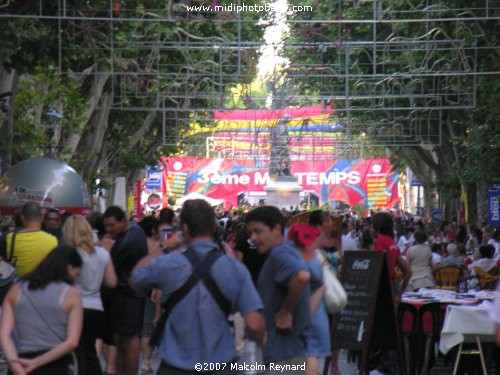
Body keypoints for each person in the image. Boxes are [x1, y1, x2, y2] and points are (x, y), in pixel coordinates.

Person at [131, 199, 265, 374]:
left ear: (184, 228)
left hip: (175, 365)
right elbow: (254, 324)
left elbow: (136, 279)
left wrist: (163, 246)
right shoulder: (234, 268)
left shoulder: (169, 264)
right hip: (221, 364)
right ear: (213, 227)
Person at [245, 206, 312, 372]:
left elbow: (302, 277)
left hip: (282, 359)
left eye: (258, 231)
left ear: (276, 229)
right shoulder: (290, 251)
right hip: (290, 355)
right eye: (250, 233)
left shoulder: (279, 254)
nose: (253, 238)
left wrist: (286, 312)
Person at [0, 245, 83, 375]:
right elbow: (72, 342)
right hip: (56, 364)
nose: (75, 280)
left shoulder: (17, 289)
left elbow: (4, 334)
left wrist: (14, 363)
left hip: (21, 360)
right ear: (70, 267)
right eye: (76, 274)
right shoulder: (71, 294)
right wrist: (36, 363)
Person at [63, 215, 117, 375]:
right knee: (91, 351)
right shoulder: (102, 253)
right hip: (95, 306)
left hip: (74, 306)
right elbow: (112, 282)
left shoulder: (70, 253)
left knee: (76, 350)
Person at [103, 206, 148, 375]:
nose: (108, 230)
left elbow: (110, 265)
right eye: (106, 226)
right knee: (122, 341)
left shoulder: (128, 240)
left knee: (128, 341)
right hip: (126, 296)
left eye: (112, 225)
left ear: (123, 221)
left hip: (129, 297)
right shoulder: (134, 233)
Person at [288, 224, 329, 375]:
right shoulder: (315, 257)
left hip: (309, 313)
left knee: (309, 356)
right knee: (310, 357)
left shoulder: (302, 259)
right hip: (316, 314)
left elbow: (312, 284)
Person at [137, 216, 162, 374]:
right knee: (148, 328)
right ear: (153, 230)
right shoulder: (158, 247)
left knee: (139, 328)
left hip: (135, 289)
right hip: (152, 291)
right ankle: (146, 361)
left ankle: (143, 359)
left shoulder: (136, 245)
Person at [4, 203, 58, 277]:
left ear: (22, 218)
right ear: (42, 218)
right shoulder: (52, 240)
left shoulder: (9, 238)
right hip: (41, 286)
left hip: (17, 285)